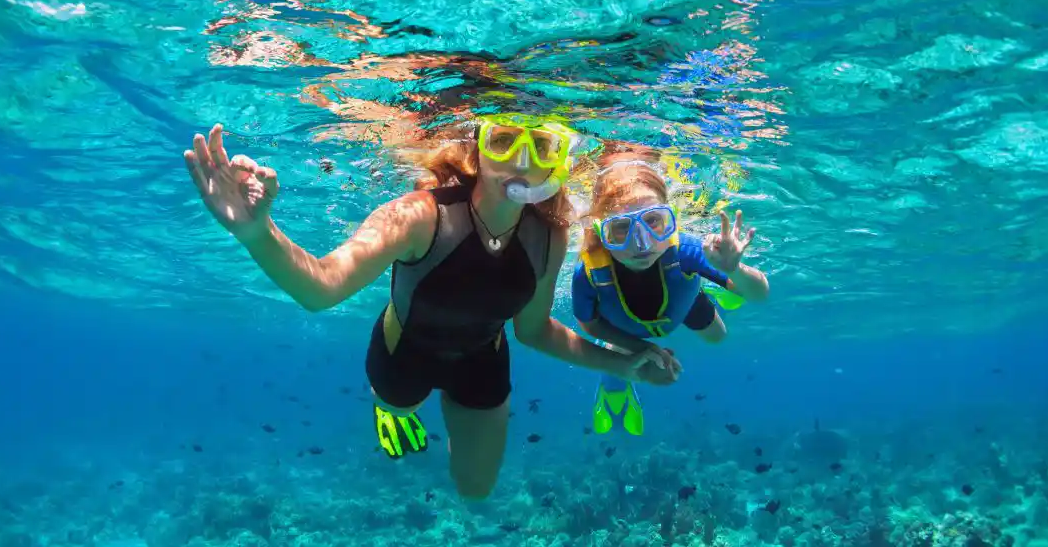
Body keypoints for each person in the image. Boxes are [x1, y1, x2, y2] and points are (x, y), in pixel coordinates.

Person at [182, 115, 681, 500]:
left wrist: (626, 364)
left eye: (541, 146)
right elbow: (321, 288)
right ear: (477, 151)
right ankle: (390, 408)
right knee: (398, 406)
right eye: (504, 141)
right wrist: (254, 231)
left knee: (476, 490)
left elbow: (534, 332)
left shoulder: (550, 236)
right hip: (404, 354)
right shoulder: (420, 215)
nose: (522, 160)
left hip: (484, 361)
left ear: (556, 160)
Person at [571, 149, 769, 436]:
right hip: (624, 328)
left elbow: (760, 294)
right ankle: (614, 390)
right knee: (621, 355)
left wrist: (734, 269)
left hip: (683, 303)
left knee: (718, 337)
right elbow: (588, 324)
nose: (641, 244)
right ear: (601, 232)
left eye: (653, 221)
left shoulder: (687, 249)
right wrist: (643, 348)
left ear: (671, 219)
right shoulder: (588, 272)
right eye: (621, 228)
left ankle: (717, 284)